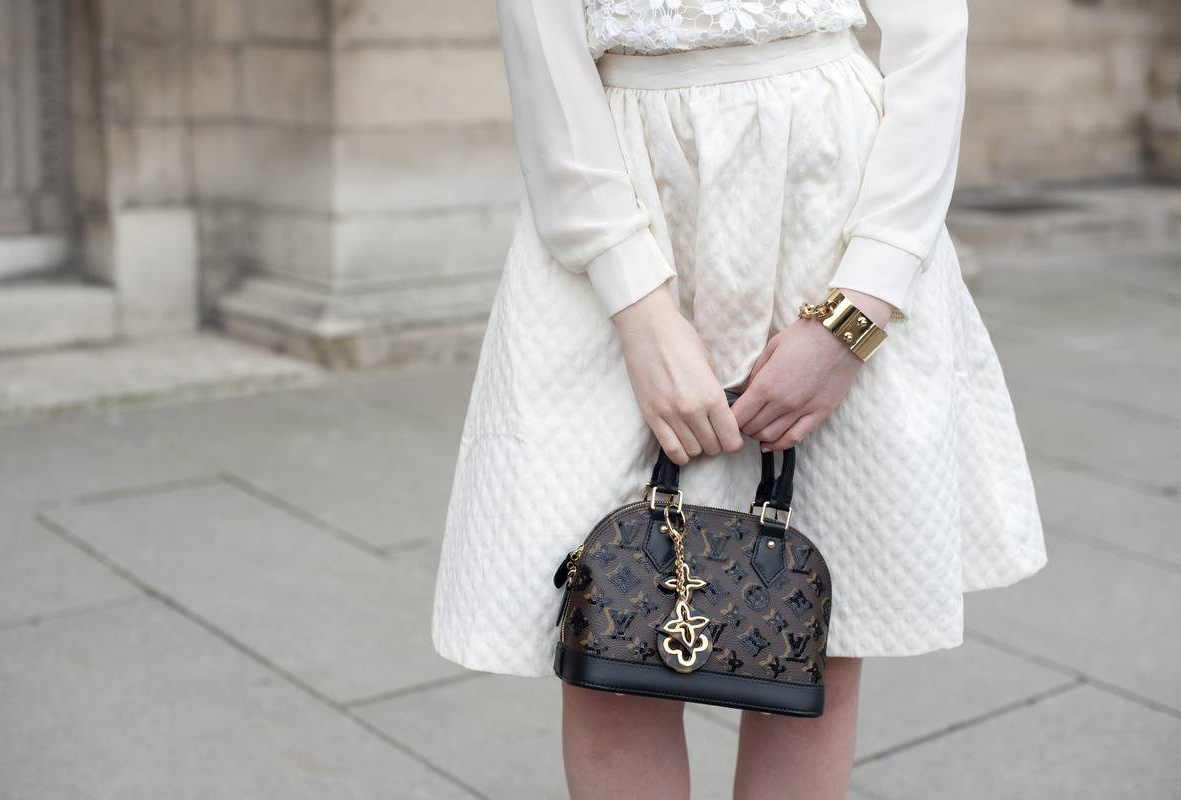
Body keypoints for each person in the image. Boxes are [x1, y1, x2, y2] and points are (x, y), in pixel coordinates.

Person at [430, 0, 1048, 796]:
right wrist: (638, 305)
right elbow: (545, 57)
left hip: (828, 204)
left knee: (810, 632)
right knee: (609, 638)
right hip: (618, 197)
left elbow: (931, 46)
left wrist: (854, 311)